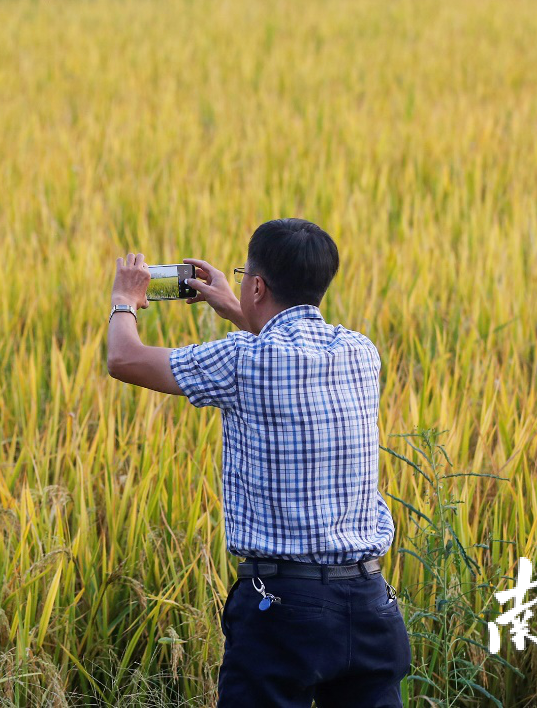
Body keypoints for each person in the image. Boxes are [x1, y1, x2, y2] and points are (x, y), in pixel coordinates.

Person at [105, 218, 412, 707]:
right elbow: (284, 348)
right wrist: (234, 304)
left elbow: (124, 358)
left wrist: (126, 298)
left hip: (283, 612)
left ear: (258, 285)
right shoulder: (360, 351)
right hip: (371, 607)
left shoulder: (241, 360)